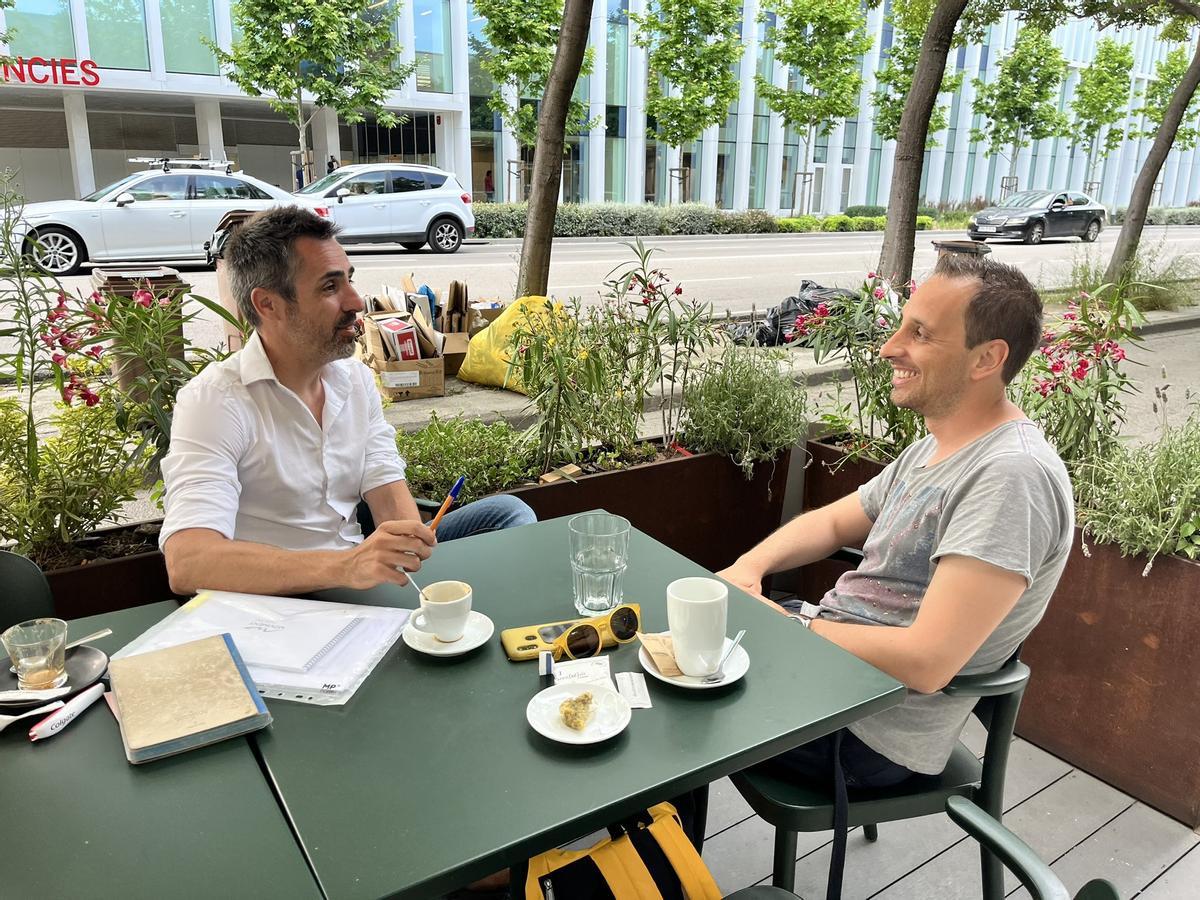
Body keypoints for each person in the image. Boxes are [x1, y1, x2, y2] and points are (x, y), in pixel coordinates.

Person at [716, 254, 1073, 891]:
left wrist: (789, 627)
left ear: (987, 359)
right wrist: (751, 567)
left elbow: (929, 663)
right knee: (662, 662)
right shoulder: (940, 443)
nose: (889, 347)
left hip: (868, 733)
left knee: (665, 716)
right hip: (825, 671)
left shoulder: (1010, 478)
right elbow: (835, 522)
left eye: (920, 334)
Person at [159, 206, 535, 596]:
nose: (356, 301)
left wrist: (404, 548)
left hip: (358, 581)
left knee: (507, 513)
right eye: (329, 287)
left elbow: (387, 489)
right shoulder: (215, 401)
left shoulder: (354, 380)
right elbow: (189, 562)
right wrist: (347, 565)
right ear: (268, 305)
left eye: (349, 280)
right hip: (281, 603)